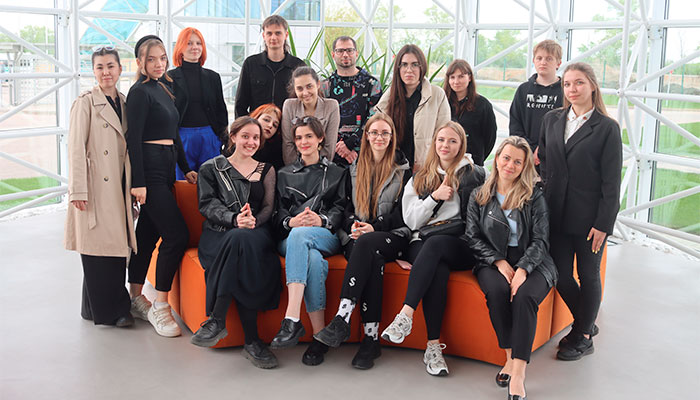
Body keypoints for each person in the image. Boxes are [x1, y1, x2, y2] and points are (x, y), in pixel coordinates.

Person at [381, 121, 486, 376]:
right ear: (434, 143)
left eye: (452, 141)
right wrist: (434, 197)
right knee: (437, 269)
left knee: (436, 245)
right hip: (424, 242)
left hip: (461, 244)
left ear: (461, 145)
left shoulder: (476, 174)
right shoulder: (420, 176)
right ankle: (433, 348)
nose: (445, 145)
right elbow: (411, 222)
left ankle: (405, 314)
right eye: (441, 140)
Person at [313, 113, 411, 369]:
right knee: (371, 257)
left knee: (369, 245)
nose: (379, 137)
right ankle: (371, 339)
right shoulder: (354, 169)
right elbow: (344, 207)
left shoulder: (404, 171)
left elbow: (403, 214)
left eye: (385, 133)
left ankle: (342, 317)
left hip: (392, 236)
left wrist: (374, 227)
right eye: (374, 132)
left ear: (392, 137)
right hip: (358, 237)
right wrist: (353, 225)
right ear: (366, 136)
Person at [539, 62, 622, 361]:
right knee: (560, 274)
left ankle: (583, 336)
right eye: (567, 84)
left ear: (592, 86)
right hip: (556, 213)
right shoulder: (551, 119)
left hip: (589, 220)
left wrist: (604, 224)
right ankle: (585, 322)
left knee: (588, 275)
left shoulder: (607, 128)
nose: (572, 89)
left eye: (579, 83)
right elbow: (544, 160)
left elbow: (611, 183)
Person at [466, 136, 558, 400]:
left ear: (524, 166)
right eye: (506, 158)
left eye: (518, 162)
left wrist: (524, 269)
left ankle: (518, 373)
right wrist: (498, 261)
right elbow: (472, 237)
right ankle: (509, 357)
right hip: (492, 258)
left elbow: (541, 240)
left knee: (524, 296)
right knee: (497, 292)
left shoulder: (534, 196)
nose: (510, 165)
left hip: (533, 258)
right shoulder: (479, 195)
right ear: (497, 159)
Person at [192, 116, 281, 369]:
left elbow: (268, 207)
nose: (251, 142)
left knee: (242, 240)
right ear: (233, 137)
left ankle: (217, 319)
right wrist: (234, 219)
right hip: (219, 232)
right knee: (239, 244)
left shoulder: (266, 169)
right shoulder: (211, 168)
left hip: (256, 231)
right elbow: (207, 205)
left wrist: (252, 221)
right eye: (245, 136)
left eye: (256, 138)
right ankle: (253, 342)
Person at [125, 36, 197, 338]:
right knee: (176, 235)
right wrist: (138, 183)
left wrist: (186, 167)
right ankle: (160, 305)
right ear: (140, 62)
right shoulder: (139, 93)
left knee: (148, 233)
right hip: (150, 168)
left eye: (162, 58)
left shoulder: (163, 88)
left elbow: (174, 134)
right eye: (151, 59)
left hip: (166, 166)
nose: (158, 64)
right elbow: (133, 139)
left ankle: (134, 297)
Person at [64, 46, 136, 328]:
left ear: (120, 69)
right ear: (93, 71)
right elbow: (75, 149)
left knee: (114, 245)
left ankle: (90, 308)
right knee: (98, 247)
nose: (106, 72)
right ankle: (114, 311)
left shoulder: (125, 102)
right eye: (100, 67)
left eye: (110, 66)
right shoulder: (85, 103)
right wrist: (78, 190)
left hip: (118, 182)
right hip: (96, 184)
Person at [271, 116, 347, 366]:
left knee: (302, 236)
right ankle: (319, 335)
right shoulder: (283, 174)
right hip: (290, 236)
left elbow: (341, 208)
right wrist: (291, 221)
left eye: (309, 136)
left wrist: (321, 220)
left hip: (324, 234)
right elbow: (277, 213)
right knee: (312, 257)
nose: (303, 142)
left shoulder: (337, 172)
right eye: (299, 137)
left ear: (320, 138)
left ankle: (292, 317)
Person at [375, 44, 450, 170]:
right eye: (404, 65)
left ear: (422, 67)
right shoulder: (388, 99)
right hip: (392, 168)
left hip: (425, 168)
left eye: (415, 65)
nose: (409, 70)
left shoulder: (437, 95)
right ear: (398, 68)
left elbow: (444, 135)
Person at [169, 27, 229, 179]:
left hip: (209, 135)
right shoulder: (170, 78)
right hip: (182, 136)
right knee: (183, 181)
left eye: (198, 43)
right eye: (189, 43)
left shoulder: (213, 77)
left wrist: (221, 137)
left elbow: (221, 109)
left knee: (211, 181)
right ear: (180, 47)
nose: (194, 47)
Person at [321, 35, 383, 167]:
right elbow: (321, 120)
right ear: (333, 55)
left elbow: (375, 118)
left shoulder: (371, 84)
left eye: (349, 50)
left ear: (356, 53)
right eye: (340, 51)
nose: (345, 54)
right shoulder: (325, 86)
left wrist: (350, 144)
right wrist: (341, 147)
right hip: (332, 153)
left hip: (364, 152)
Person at [234, 15, 306, 117]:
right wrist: (244, 125)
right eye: (269, 33)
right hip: (257, 124)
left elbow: (305, 102)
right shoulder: (251, 64)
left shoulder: (298, 66)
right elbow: (240, 103)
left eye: (278, 33)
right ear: (264, 36)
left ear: (286, 35)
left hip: (289, 124)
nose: (273, 37)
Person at [509, 39, 563, 163]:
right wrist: (528, 150)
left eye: (549, 59)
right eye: (539, 58)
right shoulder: (523, 89)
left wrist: (543, 149)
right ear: (533, 61)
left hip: (554, 155)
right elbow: (515, 123)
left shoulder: (565, 91)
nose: (543, 62)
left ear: (558, 63)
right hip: (525, 154)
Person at [281, 66, 340, 165]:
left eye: (309, 86)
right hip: (294, 167)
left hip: (322, 167)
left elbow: (329, 146)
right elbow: (288, 144)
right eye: (300, 88)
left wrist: (315, 169)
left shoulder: (331, 106)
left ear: (318, 84)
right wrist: (297, 169)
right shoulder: (289, 105)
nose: (305, 93)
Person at [443, 59, 497, 166]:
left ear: (470, 77)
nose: (456, 81)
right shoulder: (443, 103)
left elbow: (490, 138)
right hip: (447, 162)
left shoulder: (483, 105)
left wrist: (478, 157)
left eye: (461, 76)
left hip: (473, 163)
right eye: (452, 77)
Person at [250, 103, 284, 170]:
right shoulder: (239, 142)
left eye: (275, 125)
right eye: (266, 120)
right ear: (256, 118)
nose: (270, 125)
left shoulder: (276, 153)